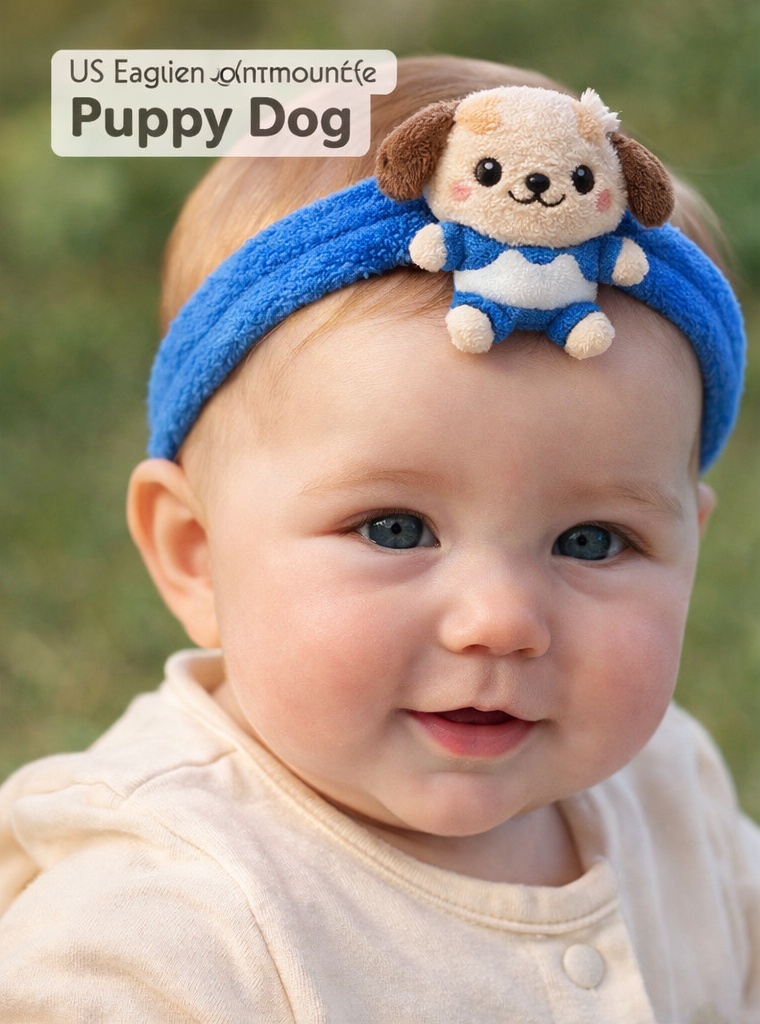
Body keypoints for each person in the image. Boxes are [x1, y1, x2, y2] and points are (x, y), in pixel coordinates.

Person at [0, 54, 757, 1023]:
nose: (500, 620)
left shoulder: (665, 790)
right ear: (194, 552)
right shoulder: (153, 930)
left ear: (688, 547)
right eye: (396, 528)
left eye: (594, 541)